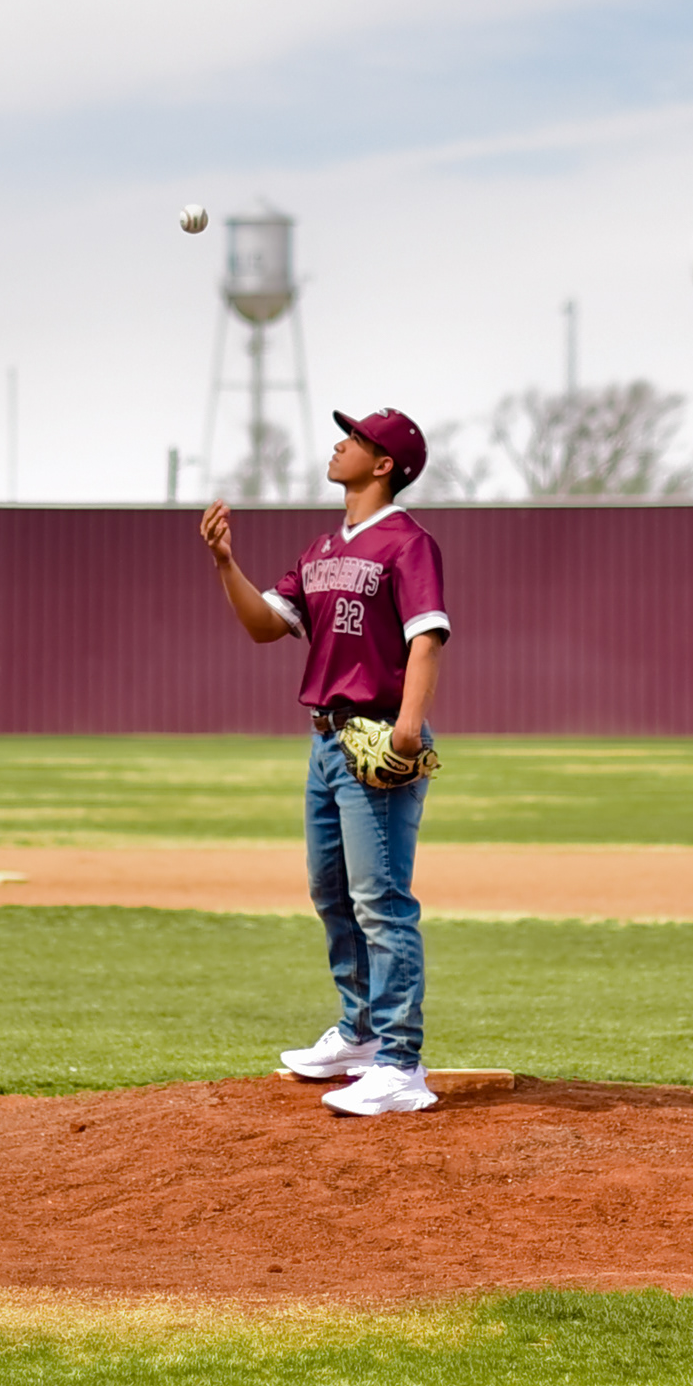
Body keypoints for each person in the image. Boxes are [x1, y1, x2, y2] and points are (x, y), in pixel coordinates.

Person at [199, 407, 451, 1117]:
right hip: (325, 741)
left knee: (381, 901)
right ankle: (360, 1035)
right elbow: (264, 625)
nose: (340, 444)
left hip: (377, 736)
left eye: (357, 439)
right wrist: (225, 563)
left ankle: (400, 1065)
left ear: (384, 465)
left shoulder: (409, 543)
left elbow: (427, 637)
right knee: (331, 893)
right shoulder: (320, 549)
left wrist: (407, 729)